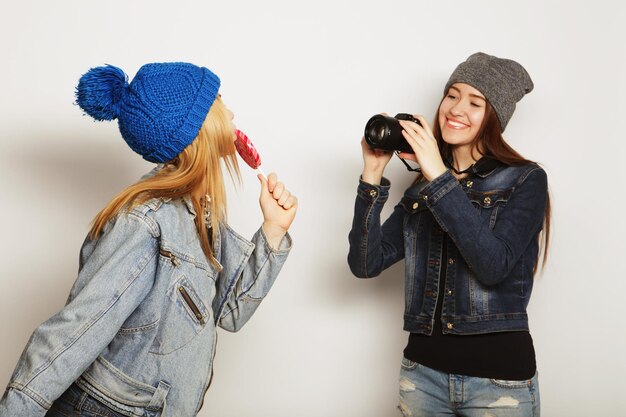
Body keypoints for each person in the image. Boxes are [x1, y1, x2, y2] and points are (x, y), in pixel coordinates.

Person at [0, 62, 297, 417]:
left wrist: (273, 231)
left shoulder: (202, 213)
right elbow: (75, 330)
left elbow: (230, 314)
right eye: (218, 100)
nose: (230, 111)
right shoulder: (145, 223)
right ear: (195, 127)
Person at [348, 52, 549, 416]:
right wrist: (372, 176)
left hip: (498, 383)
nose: (457, 109)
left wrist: (438, 177)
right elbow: (365, 264)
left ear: (494, 118)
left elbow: (493, 265)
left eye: (475, 103)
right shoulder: (423, 186)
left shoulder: (525, 179)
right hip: (422, 377)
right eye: (452, 95)